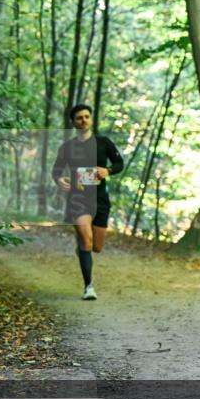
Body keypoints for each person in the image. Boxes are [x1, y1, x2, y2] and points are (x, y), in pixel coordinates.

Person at [51, 104, 124, 300]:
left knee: (96, 247)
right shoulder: (67, 147)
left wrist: (107, 170)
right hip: (78, 198)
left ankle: (83, 249)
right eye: (79, 118)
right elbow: (56, 170)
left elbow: (119, 163)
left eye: (86, 117)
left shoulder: (103, 142)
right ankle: (88, 287)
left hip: (100, 199)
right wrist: (59, 179)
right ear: (73, 122)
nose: (83, 120)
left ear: (91, 119)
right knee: (86, 239)